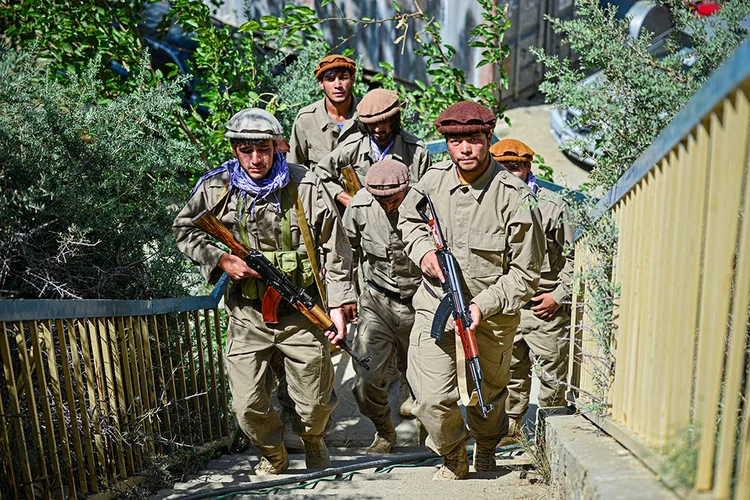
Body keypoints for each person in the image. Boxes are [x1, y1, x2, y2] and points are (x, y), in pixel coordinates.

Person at [173, 108, 358, 475]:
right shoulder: (217, 187)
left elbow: (335, 249)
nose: (256, 159)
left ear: (277, 147)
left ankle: (313, 438)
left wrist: (338, 306)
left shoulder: (304, 185)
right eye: (246, 150)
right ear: (234, 148)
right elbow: (184, 229)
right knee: (247, 406)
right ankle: (274, 454)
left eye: (264, 149)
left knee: (316, 403)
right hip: (247, 314)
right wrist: (221, 259)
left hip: (302, 313)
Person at [398, 101, 544, 479]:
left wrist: (484, 304)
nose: (465, 149)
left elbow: (525, 273)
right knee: (429, 397)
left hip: (491, 316)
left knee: (488, 395)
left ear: (488, 139)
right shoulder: (432, 182)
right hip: (435, 306)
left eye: (474, 140)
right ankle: (451, 453)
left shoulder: (515, 196)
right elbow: (408, 219)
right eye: (455, 141)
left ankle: (487, 444)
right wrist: (423, 252)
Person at [489, 139, 574, 445]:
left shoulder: (553, 206)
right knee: (510, 369)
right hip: (509, 305)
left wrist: (559, 296)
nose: (509, 174)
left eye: (514, 167)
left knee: (552, 371)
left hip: (544, 305)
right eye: (502, 168)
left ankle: (549, 435)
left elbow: (575, 256)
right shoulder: (491, 204)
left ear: (527, 167)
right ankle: (512, 429)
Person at [342, 159, 423, 453]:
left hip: (422, 303)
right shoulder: (360, 207)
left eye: (394, 200)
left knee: (428, 379)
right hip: (377, 302)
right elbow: (342, 254)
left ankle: (430, 433)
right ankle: (384, 430)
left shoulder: (427, 203)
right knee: (365, 380)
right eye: (381, 200)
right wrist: (345, 296)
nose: (388, 206)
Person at [313, 88, 431, 208]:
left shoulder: (416, 151)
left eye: (384, 121)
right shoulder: (352, 147)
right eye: (372, 123)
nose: (378, 129)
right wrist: (348, 201)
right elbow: (321, 172)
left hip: (405, 219)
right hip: (366, 222)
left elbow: (428, 194)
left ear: (394, 119)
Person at [287, 54, 360, 167]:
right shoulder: (307, 119)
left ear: (352, 79)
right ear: (321, 83)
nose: (337, 85)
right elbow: (293, 166)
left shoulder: (367, 114)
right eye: (330, 79)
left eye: (343, 78)